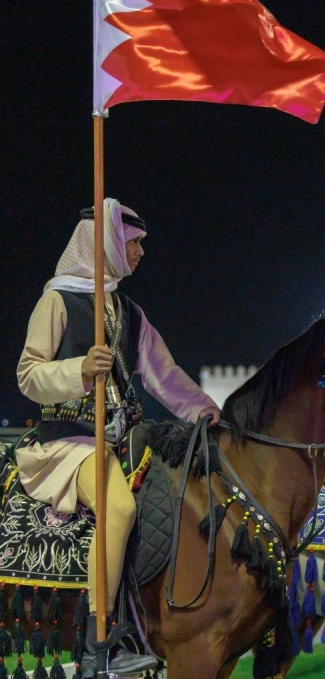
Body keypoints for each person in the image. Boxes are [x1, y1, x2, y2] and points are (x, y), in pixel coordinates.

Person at [15, 200, 222, 677]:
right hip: (70, 446)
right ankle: (98, 649)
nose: (142, 252)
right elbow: (28, 376)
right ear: (107, 244)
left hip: (123, 443)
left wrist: (206, 411)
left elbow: (163, 376)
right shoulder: (58, 301)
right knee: (121, 509)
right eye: (134, 242)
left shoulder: (129, 312)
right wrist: (79, 370)